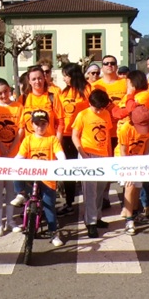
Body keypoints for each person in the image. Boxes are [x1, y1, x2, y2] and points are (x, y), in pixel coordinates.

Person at [13, 110, 67, 247]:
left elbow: (60, 154)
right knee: (15, 168)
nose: (40, 127)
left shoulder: (52, 139)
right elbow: (19, 157)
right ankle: (21, 193)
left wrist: (61, 162)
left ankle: (53, 232)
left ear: (48, 124)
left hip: (48, 179)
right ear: (32, 125)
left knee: (49, 207)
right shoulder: (28, 139)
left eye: (43, 124)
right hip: (32, 177)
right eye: (37, 124)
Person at [71, 89, 113, 238]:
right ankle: (91, 223)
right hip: (87, 154)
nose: (100, 110)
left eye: (102, 107)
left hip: (103, 155)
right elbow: (75, 136)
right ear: (90, 103)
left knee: (100, 189)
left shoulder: (106, 114)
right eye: (97, 108)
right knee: (90, 190)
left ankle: (97, 216)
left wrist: (109, 155)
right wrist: (83, 154)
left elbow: (107, 135)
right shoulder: (82, 115)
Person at [0, 78, 22, 235]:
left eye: (5, 92)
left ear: (10, 90)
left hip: (14, 154)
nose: (3, 95)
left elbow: (21, 130)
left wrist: (13, 146)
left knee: (11, 189)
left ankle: (10, 220)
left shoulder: (18, 107)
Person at [57, 63, 90, 216]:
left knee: (86, 170)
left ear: (73, 75)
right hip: (66, 135)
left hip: (85, 135)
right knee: (69, 170)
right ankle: (69, 202)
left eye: (66, 75)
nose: (64, 78)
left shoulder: (88, 89)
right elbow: (60, 115)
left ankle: (91, 203)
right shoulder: (63, 93)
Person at [116, 102, 149, 234]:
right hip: (125, 160)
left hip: (139, 158)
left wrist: (143, 161)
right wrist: (127, 171)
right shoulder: (125, 129)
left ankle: (135, 212)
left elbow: (148, 142)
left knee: (138, 187)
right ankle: (129, 220)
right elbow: (123, 151)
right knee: (129, 186)